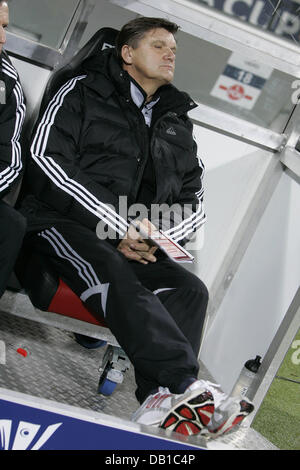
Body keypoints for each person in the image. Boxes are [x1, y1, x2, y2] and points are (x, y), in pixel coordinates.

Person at [20, 17, 253, 437]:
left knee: (190, 290)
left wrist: (155, 240)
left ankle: (158, 403)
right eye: (159, 46)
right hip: (59, 223)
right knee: (114, 273)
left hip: (126, 238)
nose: (170, 55)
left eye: (174, 50)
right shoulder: (81, 88)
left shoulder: (176, 119)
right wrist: (120, 227)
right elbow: (45, 158)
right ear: (127, 54)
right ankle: (184, 384)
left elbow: (193, 200)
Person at [0, 0, 26, 298]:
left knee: (10, 224)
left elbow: (9, 161)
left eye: (4, 27)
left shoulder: (7, 81)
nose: (3, 38)